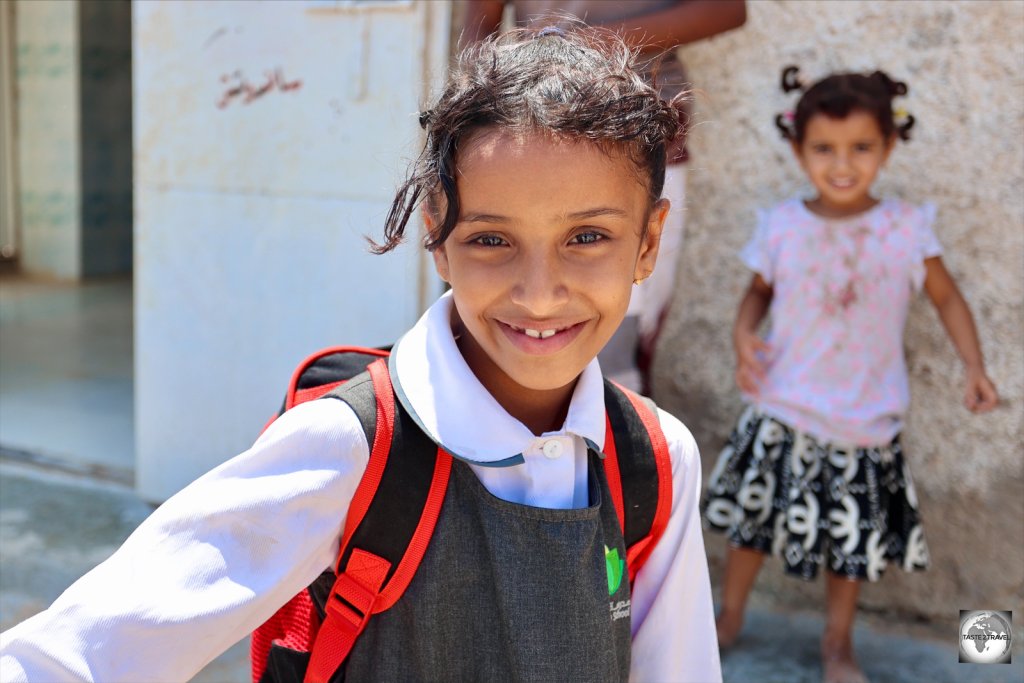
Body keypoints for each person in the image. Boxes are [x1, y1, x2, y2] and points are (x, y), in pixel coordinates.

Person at [0, 25, 721, 683]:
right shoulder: (352, 445)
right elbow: (79, 651)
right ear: (436, 234)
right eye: (491, 239)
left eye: (587, 237)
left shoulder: (654, 461)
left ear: (648, 242)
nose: (538, 293)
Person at [701, 66, 999, 683]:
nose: (842, 165)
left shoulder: (906, 229)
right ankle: (727, 618)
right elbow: (757, 294)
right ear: (797, 149)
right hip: (784, 404)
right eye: (824, 149)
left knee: (849, 549)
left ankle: (838, 644)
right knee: (752, 528)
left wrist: (974, 365)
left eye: (861, 147)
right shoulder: (783, 224)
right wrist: (741, 335)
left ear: (888, 147)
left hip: (864, 417)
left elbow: (946, 298)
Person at [460, 0, 747, 394]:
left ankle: (614, 441)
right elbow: (480, 25)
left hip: (643, 130)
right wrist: (478, 109)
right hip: (529, 132)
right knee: (526, 310)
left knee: (622, 328)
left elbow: (726, 10)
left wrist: (587, 43)